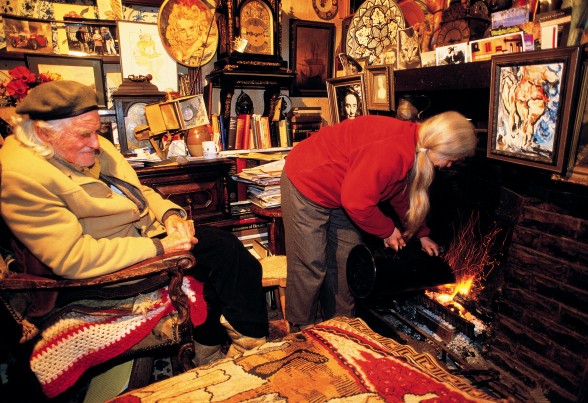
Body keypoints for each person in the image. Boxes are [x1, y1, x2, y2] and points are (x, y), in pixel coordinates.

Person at [0, 81, 268, 363]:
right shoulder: (20, 176)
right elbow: (72, 258)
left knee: (225, 248)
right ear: (43, 133)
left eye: (96, 131)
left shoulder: (82, 143)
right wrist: (160, 248)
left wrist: (170, 215)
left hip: (145, 234)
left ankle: (212, 346)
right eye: (84, 135)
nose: (96, 143)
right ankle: (245, 347)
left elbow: (138, 191)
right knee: (225, 255)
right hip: (109, 262)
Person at [280, 112, 477, 328]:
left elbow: (398, 193)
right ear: (440, 147)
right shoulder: (393, 150)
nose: (449, 165)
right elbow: (356, 202)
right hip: (307, 180)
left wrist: (422, 234)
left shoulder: (417, 146)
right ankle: (301, 330)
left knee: (346, 263)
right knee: (311, 263)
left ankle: (342, 327)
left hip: (345, 190)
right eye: (451, 159)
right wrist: (386, 230)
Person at [164, 0, 217, 67]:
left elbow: (215, 41)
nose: (188, 34)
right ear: (175, 32)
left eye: (192, 28)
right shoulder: (176, 52)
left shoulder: (202, 38)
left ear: (199, 26)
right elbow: (183, 59)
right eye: (182, 30)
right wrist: (194, 47)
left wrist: (207, 50)